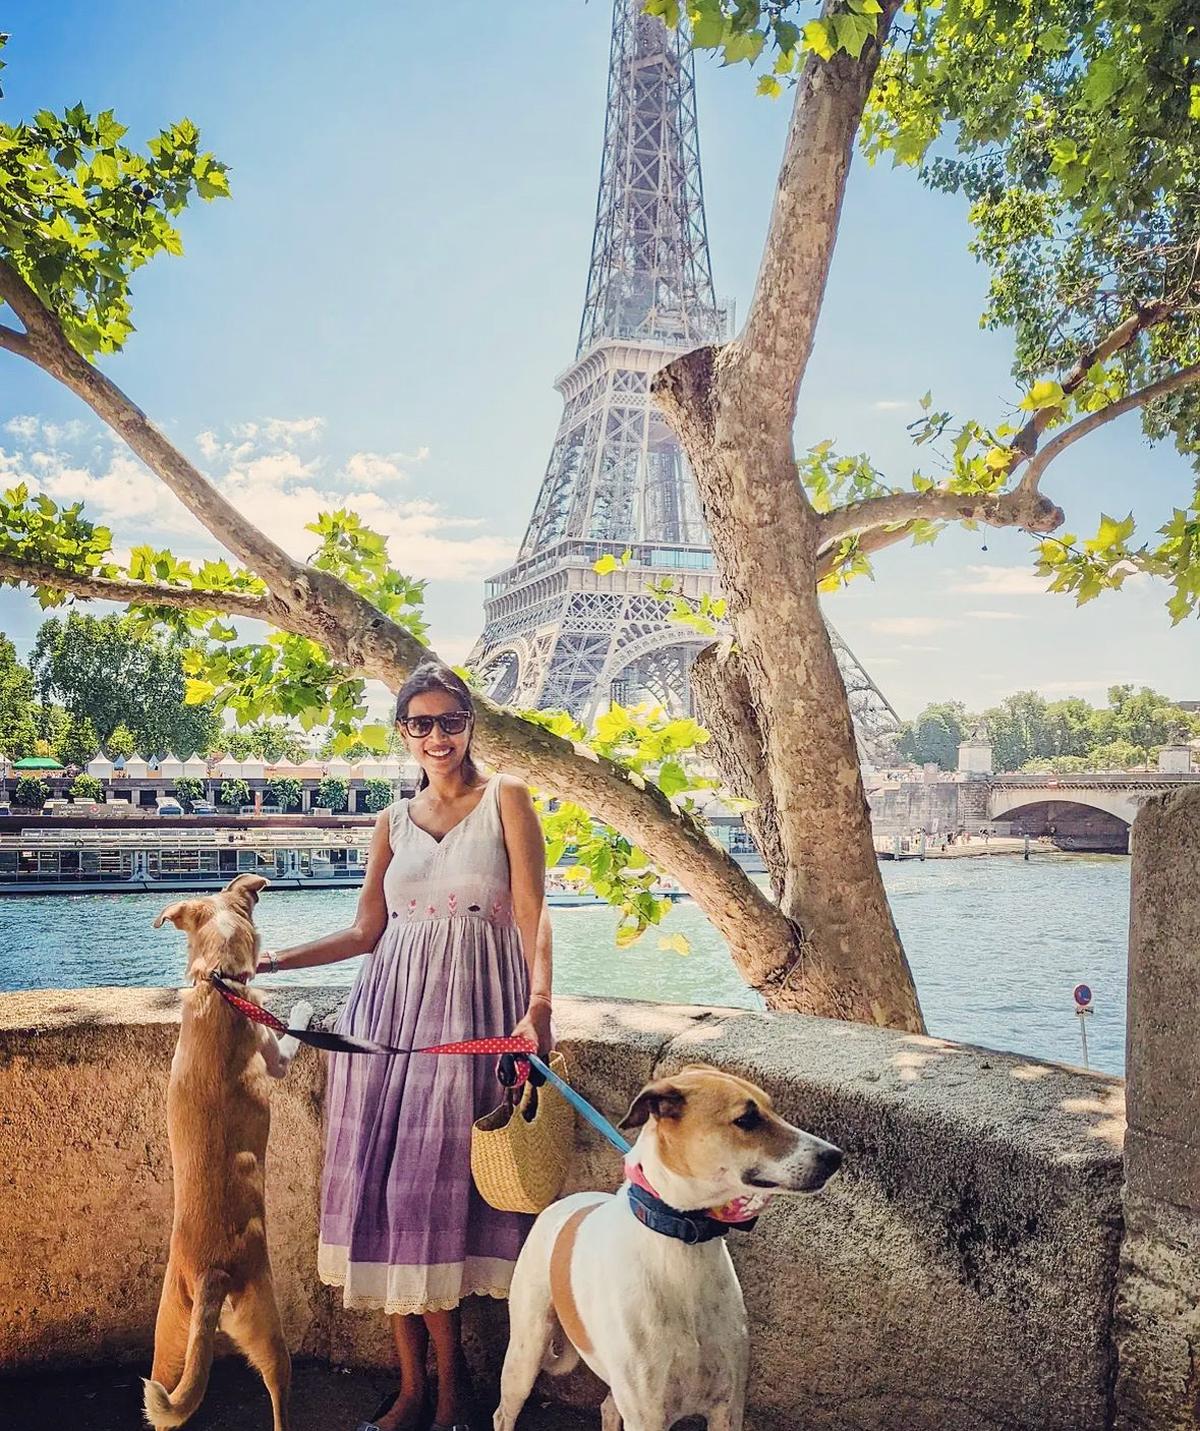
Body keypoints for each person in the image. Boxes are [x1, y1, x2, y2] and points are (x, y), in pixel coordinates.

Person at [259, 662, 553, 1431]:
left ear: (470, 723)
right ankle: (412, 1389)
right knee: (389, 1201)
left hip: (466, 1022)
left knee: (435, 1204)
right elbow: (366, 932)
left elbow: (532, 917)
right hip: (384, 1023)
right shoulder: (389, 821)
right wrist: (274, 961)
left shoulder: (507, 800)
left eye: (448, 720)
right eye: (418, 723)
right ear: (403, 731)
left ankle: (453, 1393)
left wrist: (539, 1007)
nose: (435, 736)